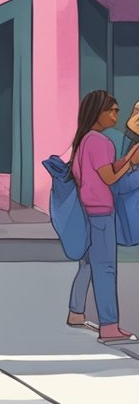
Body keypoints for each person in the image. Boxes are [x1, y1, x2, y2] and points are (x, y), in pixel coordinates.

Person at [65, 91, 137, 344]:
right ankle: (109, 327)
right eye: (113, 110)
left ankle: (76, 313)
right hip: (101, 211)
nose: (117, 115)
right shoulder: (100, 142)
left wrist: (128, 158)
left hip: (88, 209)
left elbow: (105, 170)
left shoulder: (85, 140)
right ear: (98, 113)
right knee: (105, 268)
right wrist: (130, 165)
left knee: (87, 264)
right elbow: (108, 178)